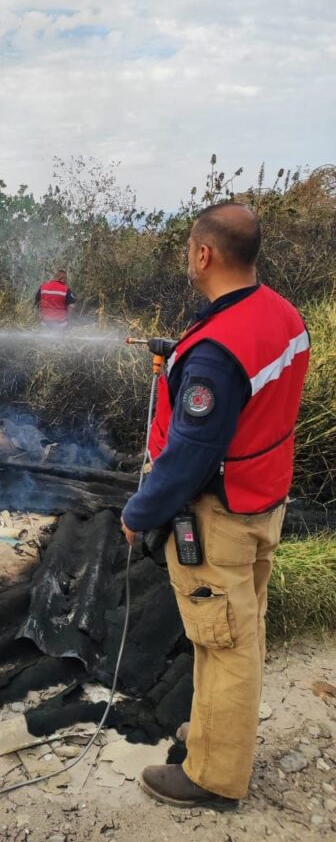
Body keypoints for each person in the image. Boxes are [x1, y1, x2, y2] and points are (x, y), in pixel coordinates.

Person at [120, 202, 310, 811]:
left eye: (189, 248)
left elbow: (188, 458)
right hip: (264, 502)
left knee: (224, 644)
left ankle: (212, 778)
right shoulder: (282, 315)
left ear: (204, 254)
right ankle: (211, 735)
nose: (188, 257)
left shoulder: (215, 353)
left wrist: (138, 513)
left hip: (222, 518)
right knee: (236, 632)